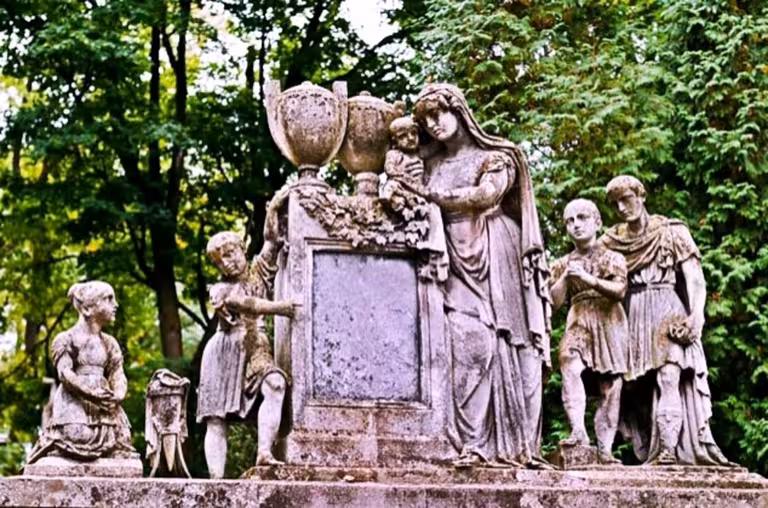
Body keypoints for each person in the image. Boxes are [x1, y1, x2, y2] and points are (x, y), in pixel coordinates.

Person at [410, 83, 551, 468]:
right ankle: (473, 443)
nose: (433, 124)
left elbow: (487, 195)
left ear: (459, 111)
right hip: (449, 254)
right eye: (426, 119)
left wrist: (431, 196)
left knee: (511, 340)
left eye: (439, 113)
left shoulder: (495, 157)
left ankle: (519, 443)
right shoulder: (431, 164)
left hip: (493, 245)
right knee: (466, 339)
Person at [600, 175, 733, 465]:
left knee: (669, 376)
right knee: (632, 390)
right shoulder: (611, 242)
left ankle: (669, 453)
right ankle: (649, 448)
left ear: (641, 195)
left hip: (666, 308)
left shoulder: (672, 232)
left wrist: (696, 314)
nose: (621, 208)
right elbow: (587, 262)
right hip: (632, 314)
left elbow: (695, 278)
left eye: (626, 199)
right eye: (615, 203)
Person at [197, 190, 297, 478]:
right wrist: (282, 308)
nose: (227, 262)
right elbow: (246, 304)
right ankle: (217, 480)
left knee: (276, 384)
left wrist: (273, 208)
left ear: (242, 248)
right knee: (216, 418)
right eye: (220, 261)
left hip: (255, 346)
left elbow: (270, 240)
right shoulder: (220, 290)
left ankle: (264, 453)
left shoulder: (257, 273)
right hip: (224, 351)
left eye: (230, 253)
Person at [550, 199, 628, 464]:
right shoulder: (562, 264)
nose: (576, 225)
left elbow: (619, 290)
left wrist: (589, 279)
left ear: (597, 222)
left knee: (610, 384)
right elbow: (552, 303)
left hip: (609, 320)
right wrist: (565, 278)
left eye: (582, 218)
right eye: (570, 221)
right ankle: (578, 431)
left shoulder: (612, 257)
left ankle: (605, 449)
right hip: (579, 318)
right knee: (569, 360)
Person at [26, 281, 136, 463]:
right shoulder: (66, 339)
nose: (115, 305)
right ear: (87, 309)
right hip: (74, 400)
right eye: (108, 299)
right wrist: (90, 393)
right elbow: (65, 374)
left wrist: (118, 395)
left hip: (104, 404)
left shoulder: (109, 343)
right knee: (79, 436)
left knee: (123, 438)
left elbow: (117, 373)